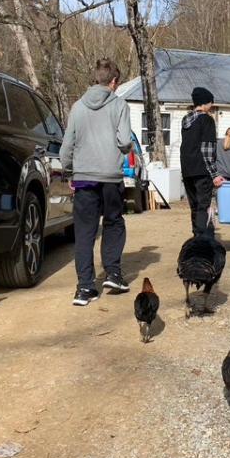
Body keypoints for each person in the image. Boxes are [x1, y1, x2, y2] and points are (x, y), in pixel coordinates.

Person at [60, 59, 134, 306]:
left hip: (83, 178)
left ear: (96, 79)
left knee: (84, 232)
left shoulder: (78, 107)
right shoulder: (120, 105)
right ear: (114, 82)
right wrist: (128, 147)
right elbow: (124, 141)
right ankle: (113, 273)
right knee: (113, 223)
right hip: (110, 177)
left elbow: (66, 147)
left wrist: (70, 172)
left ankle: (84, 288)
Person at [180, 87, 224, 237]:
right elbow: (207, 150)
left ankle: (196, 237)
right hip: (202, 170)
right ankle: (201, 240)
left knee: (194, 206)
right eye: (211, 103)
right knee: (202, 206)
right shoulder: (207, 120)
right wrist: (215, 174)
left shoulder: (186, 120)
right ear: (205, 103)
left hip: (187, 170)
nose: (211, 106)